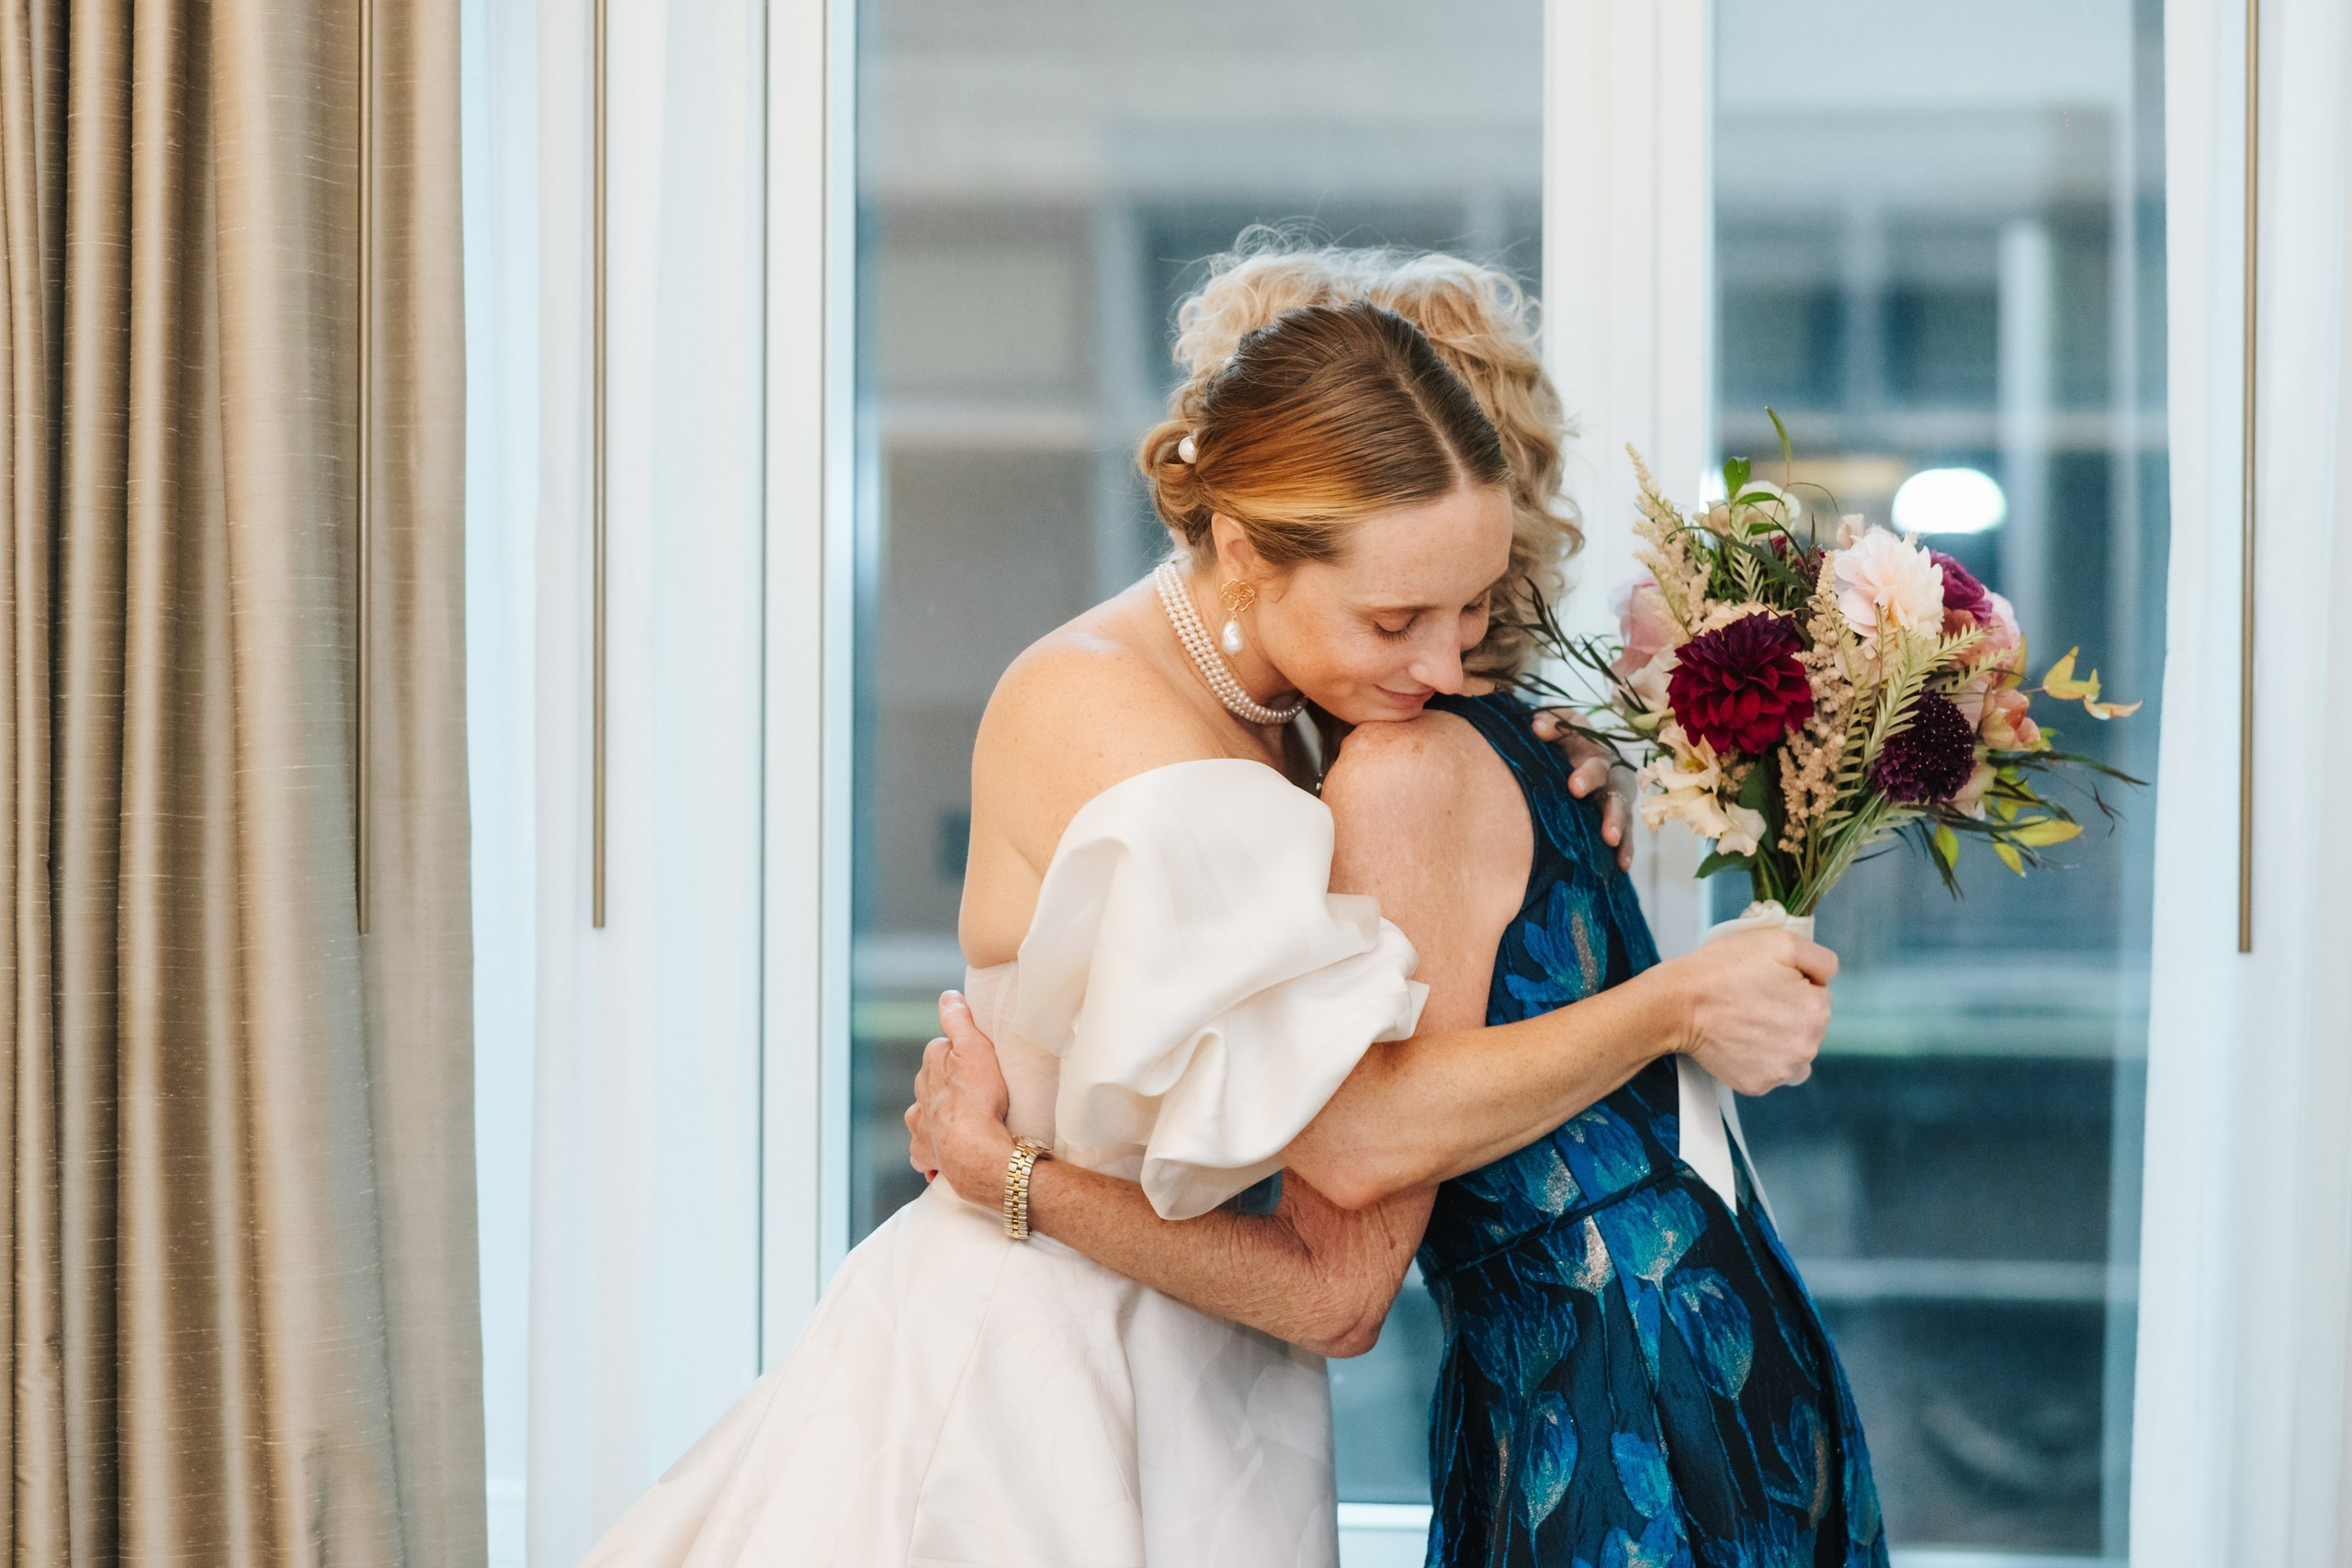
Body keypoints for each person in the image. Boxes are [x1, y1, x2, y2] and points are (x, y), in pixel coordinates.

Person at [582, 262, 1834, 1568]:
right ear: (1244, 546)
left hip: (1219, 1352)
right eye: (1399, 619)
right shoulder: (1112, 718)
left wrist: (1550, 769)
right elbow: (1345, 1175)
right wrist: (1011, 1178)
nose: (1441, 667)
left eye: (1467, 614)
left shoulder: (1314, 711)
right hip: (1039, 1356)